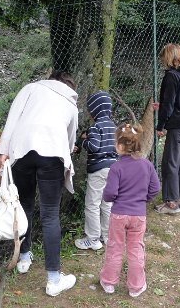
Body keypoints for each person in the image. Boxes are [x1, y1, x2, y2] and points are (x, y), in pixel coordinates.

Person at [0, 70, 78, 297]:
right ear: (69, 86)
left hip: (22, 151)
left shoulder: (31, 88)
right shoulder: (70, 102)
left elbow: (12, 119)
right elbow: (70, 139)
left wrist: (3, 150)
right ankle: (53, 279)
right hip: (53, 154)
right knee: (50, 214)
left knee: (24, 206)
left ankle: (23, 259)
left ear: (50, 80)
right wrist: (67, 153)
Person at [99, 123, 160, 298]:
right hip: (138, 215)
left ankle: (108, 283)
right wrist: (143, 200)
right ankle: (136, 286)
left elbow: (110, 193)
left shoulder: (116, 167)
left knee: (114, 247)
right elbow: (155, 188)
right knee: (136, 249)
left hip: (119, 214)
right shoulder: (147, 165)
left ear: (120, 146)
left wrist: (110, 198)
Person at [74, 91, 117, 250]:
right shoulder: (114, 127)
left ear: (94, 111)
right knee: (107, 204)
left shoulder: (95, 127)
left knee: (92, 204)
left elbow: (94, 147)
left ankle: (92, 239)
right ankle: (108, 237)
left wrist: (84, 141)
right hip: (113, 170)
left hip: (98, 170)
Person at [154, 43, 180, 215]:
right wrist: (163, 106)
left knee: (170, 162)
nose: (162, 60)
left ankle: (171, 203)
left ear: (169, 57)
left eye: (163, 57)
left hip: (176, 126)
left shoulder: (170, 76)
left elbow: (169, 104)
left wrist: (160, 126)